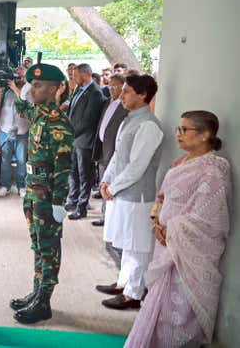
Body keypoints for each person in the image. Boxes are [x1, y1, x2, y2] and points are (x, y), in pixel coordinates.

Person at [125, 111, 231, 348]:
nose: (179, 135)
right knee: (158, 301)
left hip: (189, 250)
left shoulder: (215, 169)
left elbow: (210, 217)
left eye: (185, 130)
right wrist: (156, 222)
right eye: (178, 129)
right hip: (165, 243)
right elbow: (161, 197)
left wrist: (171, 229)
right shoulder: (180, 163)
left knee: (181, 305)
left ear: (205, 135)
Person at [8, 58, 74, 324]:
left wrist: (60, 202)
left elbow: (63, 168)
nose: (31, 90)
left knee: (48, 248)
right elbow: (21, 106)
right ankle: (37, 291)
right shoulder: (39, 113)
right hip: (33, 192)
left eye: (37, 86)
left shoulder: (59, 124)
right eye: (31, 85)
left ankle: (44, 300)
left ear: (54, 89)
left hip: (48, 196)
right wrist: (9, 85)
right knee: (37, 245)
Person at [97, 74, 163, 310]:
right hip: (121, 192)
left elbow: (137, 166)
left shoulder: (149, 125)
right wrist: (105, 182)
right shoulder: (129, 120)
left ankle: (134, 293)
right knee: (126, 242)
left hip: (137, 196)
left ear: (143, 95)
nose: (120, 95)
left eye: (126, 92)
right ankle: (123, 283)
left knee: (137, 245)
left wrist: (112, 187)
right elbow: (117, 156)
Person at [65, 63, 106, 219]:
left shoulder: (95, 93)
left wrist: (70, 132)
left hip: (85, 140)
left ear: (84, 74)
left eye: (75, 75)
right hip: (75, 139)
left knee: (84, 175)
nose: (73, 78)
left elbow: (88, 120)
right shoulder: (79, 89)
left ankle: (82, 207)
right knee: (73, 172)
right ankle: (73, 200)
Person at [91, 74, 127, 226]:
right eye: (110, 86)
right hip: (102, 150)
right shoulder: (108, 102)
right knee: (103, 183)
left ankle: (109, 218)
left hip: (113, 152)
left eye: (116, 87)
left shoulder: (124, 107)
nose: (112, 89)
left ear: (123, 88)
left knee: (110, 185)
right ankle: (105, 215)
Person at [0, 66, 31, 198]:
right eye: (16, 77)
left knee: (21, 161)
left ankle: (21, 186)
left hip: (22, 131)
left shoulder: (28, 89)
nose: (18, 79)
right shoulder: (5, 91)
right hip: (5, 130)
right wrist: (0, 89)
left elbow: (27, 103)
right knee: (5, 160)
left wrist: (15, 88)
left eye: (21, 77)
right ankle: (5, 185)